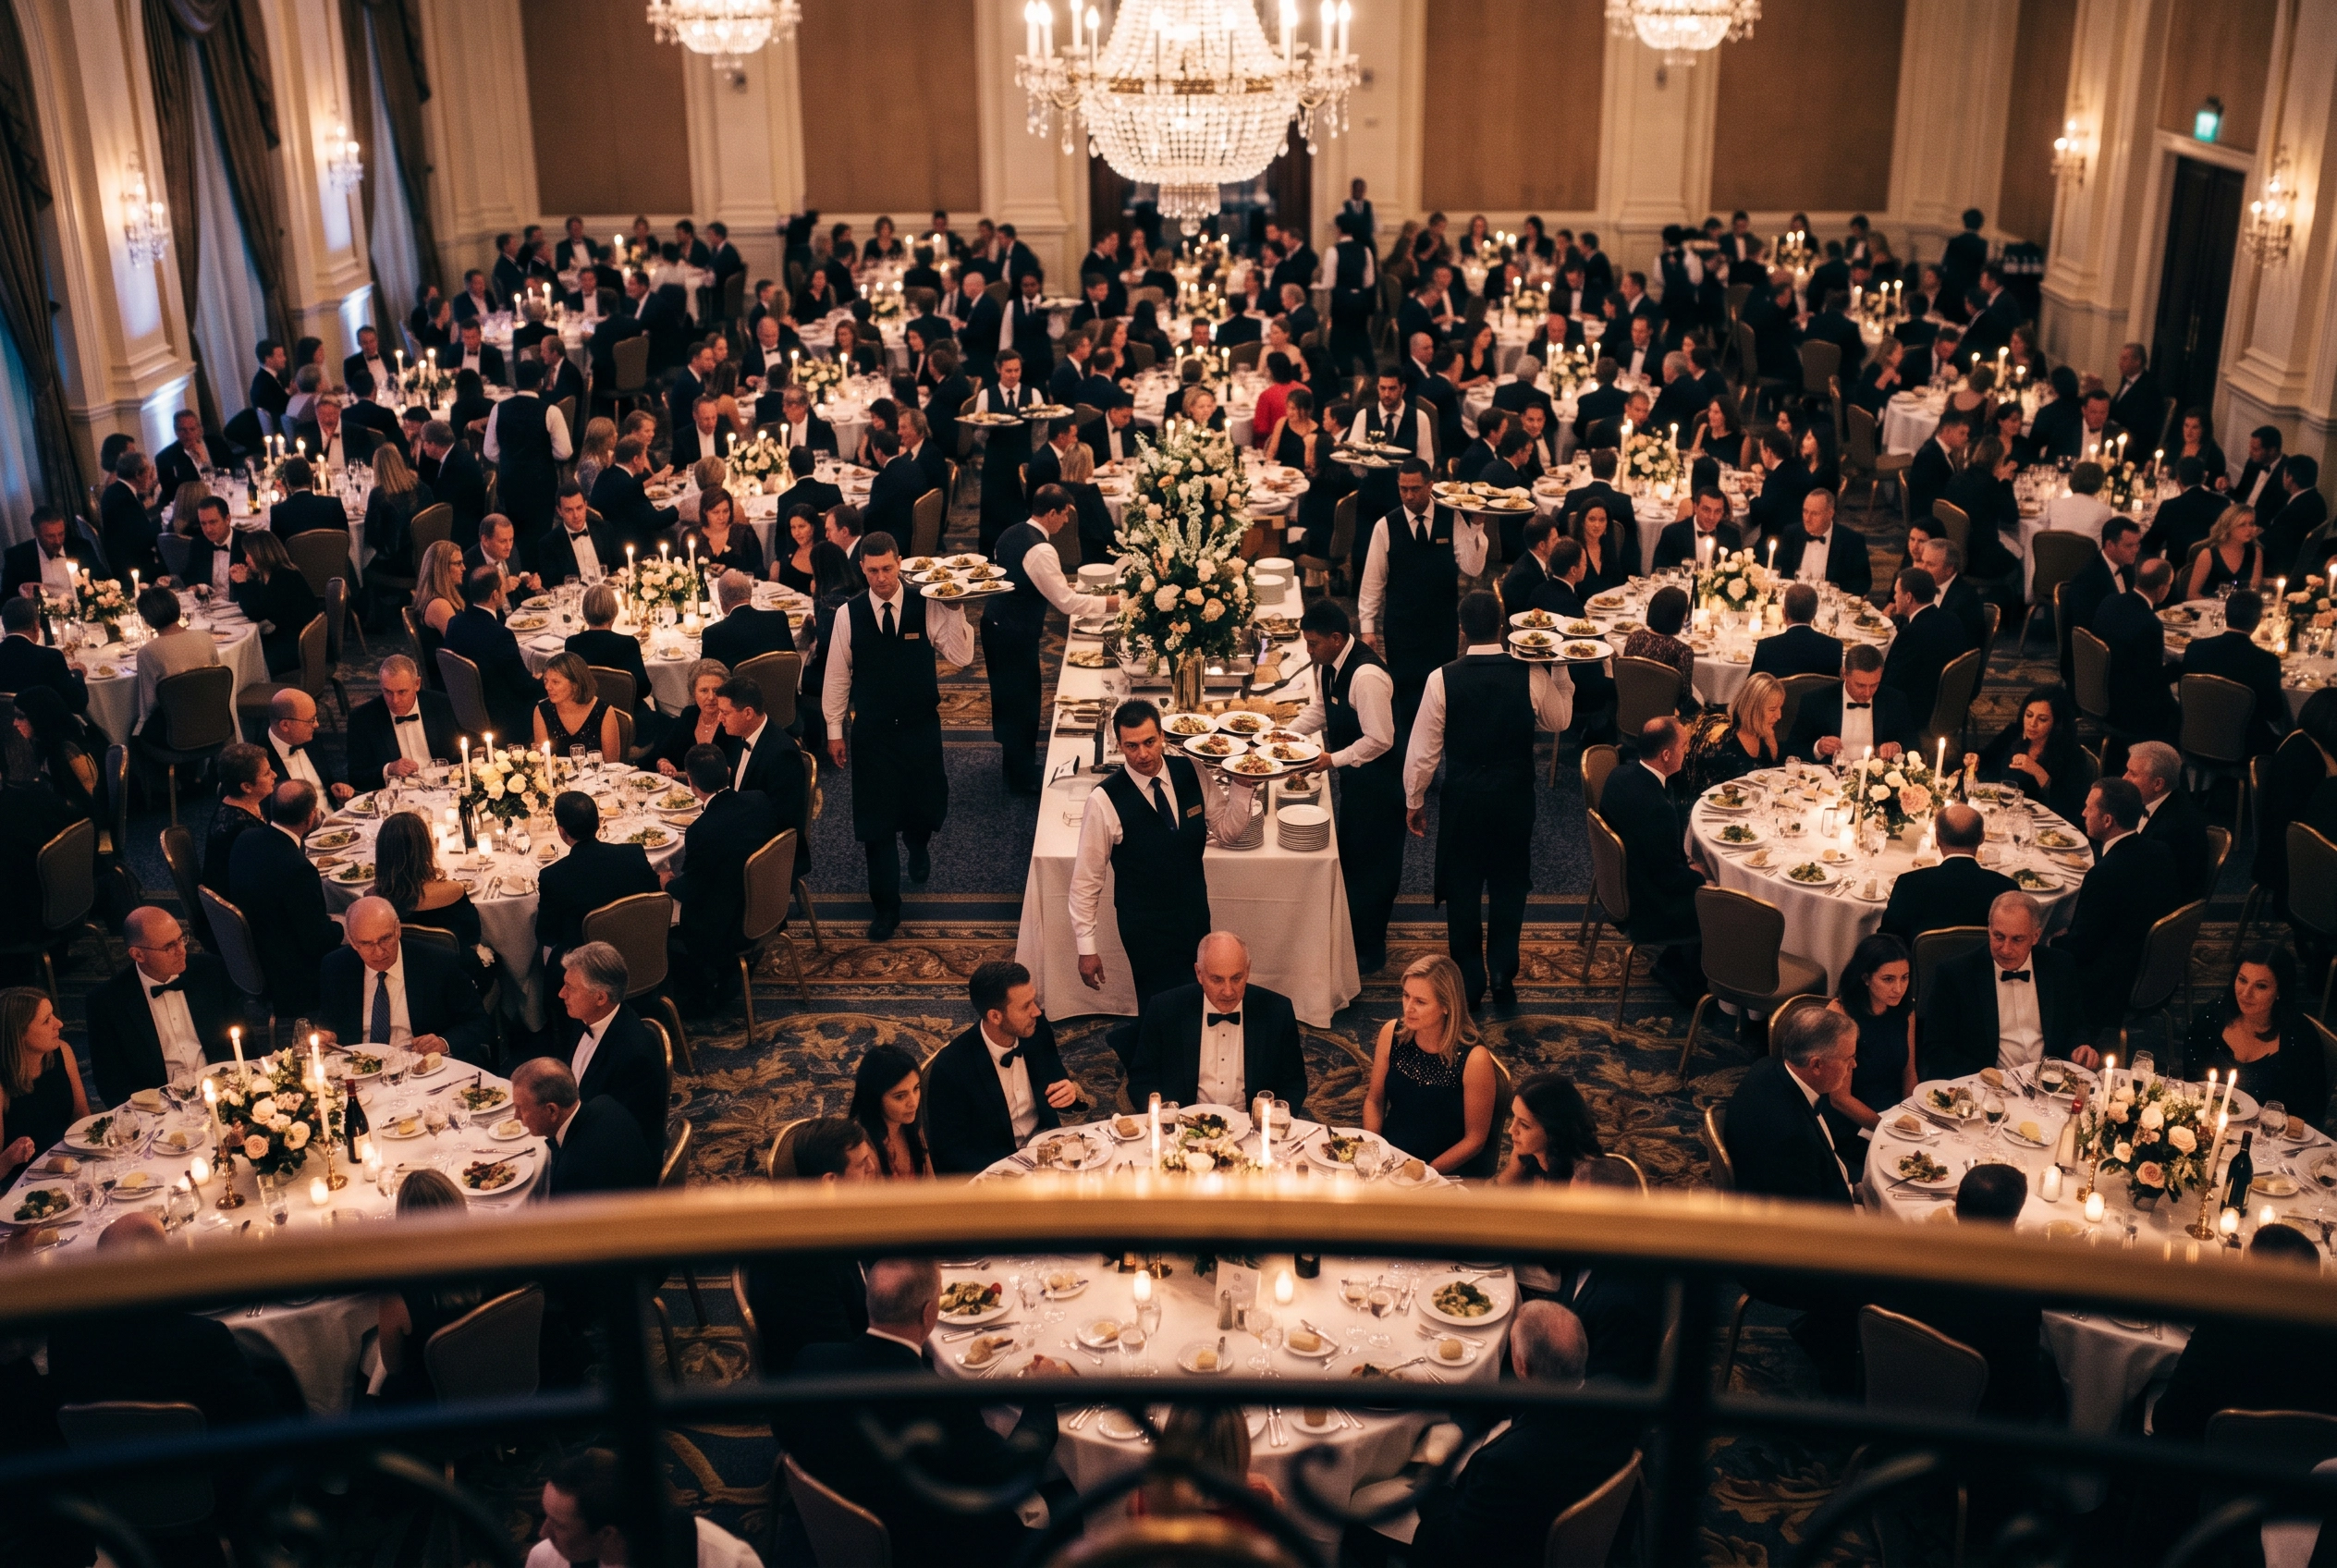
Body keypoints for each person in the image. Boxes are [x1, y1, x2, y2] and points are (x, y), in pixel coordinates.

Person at [780, 1258, 1063, 1563]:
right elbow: (1010, 1473)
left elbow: (788, 1434)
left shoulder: (811, 1361)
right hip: (926, 1550)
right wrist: (1042, 1396)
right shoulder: (941, 1403)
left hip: (834, 1533)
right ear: (930, 1312)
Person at [1401, 591, 1572, 1009]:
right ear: (1501, 625)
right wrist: (1562, 667)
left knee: (1462, 889)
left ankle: (1470, 979)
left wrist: (1414, 799)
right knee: (1509, 885)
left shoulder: (1442, 678)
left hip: (1464, 802)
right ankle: (1501, 972)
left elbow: (1423, 752)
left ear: (1461, 629)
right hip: (1515, 800)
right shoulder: (1531, 673)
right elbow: (1560, 720)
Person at [1070, 699, 1260, 1023]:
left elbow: (1227, 832)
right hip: (1144, 924)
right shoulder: (1104, 800)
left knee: (1199, 994)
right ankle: (1158, 1068)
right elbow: (1086, 881)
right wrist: (1086, 947)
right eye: (1131, 746)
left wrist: (1242, 786)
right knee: (1158, 1004)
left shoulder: (1192, 771)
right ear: (1119, 744)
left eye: (1149, 742)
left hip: (1194, 912)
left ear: (1162, 736)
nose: (1142, 754)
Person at [821, 532, 972, 940]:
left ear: (899, 562)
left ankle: (919, 844)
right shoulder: (847, 616)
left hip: (921, 727)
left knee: (924, 806)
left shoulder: (928, 604)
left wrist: (955, 609)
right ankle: (886, 907)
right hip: (872, 733)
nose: (881, 578)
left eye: (888, 568)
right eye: (872, 571)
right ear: (862, 569)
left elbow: (962, 657)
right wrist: (835, 730)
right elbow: (836, 677)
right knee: (877, 824)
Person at [1403, 1302, 1635, 1566]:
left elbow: (1454, 1547)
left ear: (1521, 1366)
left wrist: (1430, 1484)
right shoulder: (1620, 1399)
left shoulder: (1506, 1466)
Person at [44, 1212, 292, 1427]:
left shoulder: (63, 1334)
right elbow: (261, 1414)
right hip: (209, 1470)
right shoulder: (203, 1339)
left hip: (109, 1470)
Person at [1287, 601, 1404, 973]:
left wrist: (1331, 759)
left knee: (1375, 866)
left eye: (1313, 644)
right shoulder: (1329, 665)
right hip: (1357, 782)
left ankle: (1371, 950)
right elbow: (1322, 709)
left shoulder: (1366, 676)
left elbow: (1381, 738)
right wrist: (1283, 734)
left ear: (1336, 639)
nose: (1308, 651)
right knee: (1355, 859)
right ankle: (1356, 936)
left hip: (1382, 787)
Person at [2152, 1222, 2337, 1446]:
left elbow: (2166, 1419)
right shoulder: (2328, 1345)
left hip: (2198, 1461)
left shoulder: (2223, 1328)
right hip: (2288, 1470)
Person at [984, 484, 1117, 794]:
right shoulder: (1041, 549)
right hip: (1014, 633)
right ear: (1052, 512)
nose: (1067, 522)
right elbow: (1066, 603)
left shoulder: (1012, 532)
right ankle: (1022, 777)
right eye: (1066, 515)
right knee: (1024, 700)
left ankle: (1014, 766)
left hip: (994, 624)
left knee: (1007, 699)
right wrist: (1111, 603)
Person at [741, 1118, 880, 1373]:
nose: (873, 1168)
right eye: (862, 1164)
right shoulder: (806, 1262)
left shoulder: (837, 1215)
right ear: (830, 1181)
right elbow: (839, 1362)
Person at [1913, 889, 2089, 1081]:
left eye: (2017, 939)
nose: (2005, 949)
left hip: (2047, 1086)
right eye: (1998, 936)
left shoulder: (2060, 966)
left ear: (2036, 936)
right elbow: (1937, 1049)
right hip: (1985, 1087)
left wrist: (2080, 1048)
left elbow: (2076, 1026)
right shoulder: (1955, 975)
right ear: (1989, 930)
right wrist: (1993, 1080)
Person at [1128, 932, 1309, 1116]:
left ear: (1248, 970)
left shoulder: (1277, 1011)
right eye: (1217, 979)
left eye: (1237, 978)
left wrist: (1268, 1125)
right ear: (1199, 973)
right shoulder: (1165, 1009)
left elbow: (1293, 1084)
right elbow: (1142, 1081)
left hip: (1253, 1128)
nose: (1229, 991)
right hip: (1184, 1127)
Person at [924, 960, 1079, 1173]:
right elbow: (951, 1152)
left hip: (1046, 1151)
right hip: (996, 1171)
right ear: (995, 1016)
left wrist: (1070, 1092)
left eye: (1034, 1001)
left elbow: (1058, 1084)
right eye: (1026, 1006)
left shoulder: (1037, 1030)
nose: (1037, 1012)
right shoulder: (952, 1067)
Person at [662, 743, 781, 1015]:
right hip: (764, 902)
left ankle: (697, 995)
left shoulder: (701, 830)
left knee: (659, 917)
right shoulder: (759, 801)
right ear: (727, 772)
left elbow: (691, 888)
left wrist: (666, 882)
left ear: (691, 784)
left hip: (726, 926)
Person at [85, 907, 240, 1102]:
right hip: (159, 1105)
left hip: (222, 1088)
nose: (181, 950)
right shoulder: (106, 1003)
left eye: (181, 938)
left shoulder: (212, 972)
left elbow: (244, 1042)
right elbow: (111, 1084)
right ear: (137, 954)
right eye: (168, 947)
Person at [1364, 954, 1498, 1177]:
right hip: (1390, 1157)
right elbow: (1374, 1100)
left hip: (1443, 1169)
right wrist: (1374, 1150)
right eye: (1406, 996)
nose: (1408, 1008)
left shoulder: (1475, 1059)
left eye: (1420, 1001)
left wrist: (1424, 1173)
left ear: (1447, 1006)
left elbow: (1475, 1140)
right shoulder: (1391, 1033)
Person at [321, 895, 493, 1061]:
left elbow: (479, 1022)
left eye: (385, 939)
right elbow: (329, 1022)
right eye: (366, 943)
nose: (379, 952)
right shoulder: (336, 967)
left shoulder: (437, 962)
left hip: (421, 1066)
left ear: (397, 930)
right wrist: (328, 1035)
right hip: (360, 1068)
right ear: (352, 941)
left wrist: (442, 1043)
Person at [1722, 1003, 1857, 1206]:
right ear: (1816, 1065)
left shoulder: (1764, 1067)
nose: (1854, 1065)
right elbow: (1808, 1220)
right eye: (1849, 1058)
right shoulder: (1794, 1138)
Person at [226, 781, 342, 1015]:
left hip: (251, 954)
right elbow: (317, 941)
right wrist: (342, 926)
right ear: (310, 818)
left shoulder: (246, 839)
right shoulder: (298, 869)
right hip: (289, 974)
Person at [372, 1170, 483, 1403]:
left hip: (435, 1405)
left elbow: (393, 1366)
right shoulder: (496, 1256)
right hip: (499, 1383)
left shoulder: (397, 1293)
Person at [2182, 943, 2327, 1121]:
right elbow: (2191, 1079)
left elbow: (2308, 1115)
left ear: (2279, 991)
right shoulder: (2213, 1015)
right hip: (2205, 1122)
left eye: (2261, 986)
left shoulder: (2300, 1038)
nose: (2245, 994)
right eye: (2242, 980)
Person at [556, 942, 668, 1158]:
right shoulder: (584, 1019)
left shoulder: (634, 1057)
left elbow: (624, 1140)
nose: (562, 994)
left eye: (571, 987)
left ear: (600, 997)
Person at [534, 790, 661, 979]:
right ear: (599, 822)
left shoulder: (552, 876)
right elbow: (654, 899)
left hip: (590, 977)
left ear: (561, 831)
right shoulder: (633, 854)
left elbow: (546, 935)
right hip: (642, 959)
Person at [1878, 804, 2018, 949]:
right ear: (1982, 838)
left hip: (1922, 971)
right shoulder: (2007, 890)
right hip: (1983, 971)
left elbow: (1887, 942)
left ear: (1938, 839)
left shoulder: (1909, 884)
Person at [514, 1057, 656, 1197]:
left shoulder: (572, 1174)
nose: (516, 1116)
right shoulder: (605, 1103)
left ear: (552, 1111)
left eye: (520, 1108)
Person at [1824, 934, 1916, 1140]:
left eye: (1905, 977)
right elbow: (1839, 1098)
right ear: (1865, 978)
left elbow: (1909, 1073)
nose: (1899, 989)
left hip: (1893, 1111)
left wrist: (1912, 1117)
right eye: (1888, 979)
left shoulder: (1905, 1010)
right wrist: (1888, 1129)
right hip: (1852, 1120)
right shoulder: (1841, 1014)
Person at [2181, 589, 2290, 755]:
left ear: (2226, 614)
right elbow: (2274, 714)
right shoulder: (2267, 662)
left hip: (2195, 740)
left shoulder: (2195, 649)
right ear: (2258, 621)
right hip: (2246, 748)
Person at [445, 566, 546, 739]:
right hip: (504, 719)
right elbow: (524, 687)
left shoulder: (454, 623)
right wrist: (542, 679)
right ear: (495, 595)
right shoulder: (500, 635)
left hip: (465, 710)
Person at [2091, 557, 2182, 744]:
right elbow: (2152, 680)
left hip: (2098, 693)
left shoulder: (2110, 601)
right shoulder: (2150, 623)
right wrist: (2182, 666)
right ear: (2162, 588)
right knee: (2183, 708)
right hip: (2129, 711)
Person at [0, 987, 87, 1180]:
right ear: (18, 1034)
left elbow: (81, 1117)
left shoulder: (62, 1052)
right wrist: (9, 1158)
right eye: (46, 1020)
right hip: (21, 1186)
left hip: (69, 1167)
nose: (60, 1023)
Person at [1970, 683, 2089, 823]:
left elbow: (2067, 808)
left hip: (2039, 824)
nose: (2032, 723)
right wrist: (1975, 758)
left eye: (2042, 719)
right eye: (2029, 715)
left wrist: (2036, 770)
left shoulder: (2071, 753)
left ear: (2057, 723)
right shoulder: (2014, 733)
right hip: (1999, 815)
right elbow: (1987, 757)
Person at [341, 654, 455, 792]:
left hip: (442, 790)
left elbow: (459, 755)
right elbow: (356, 778)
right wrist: (389, 769)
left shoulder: (442, 705)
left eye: (402, 692)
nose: (394, 700)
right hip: (397, 797)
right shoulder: (362, 719)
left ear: (417, 684)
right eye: (387, 692)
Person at [1878, 567, 1970, 738]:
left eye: (1897, 592)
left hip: (1918, 714)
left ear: (1908, 597)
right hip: (1950, 707)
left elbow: (1892, 684)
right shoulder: (1952, 619)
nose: (1893, 597)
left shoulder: (1912, 634)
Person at [2121, 740, 2214, 899]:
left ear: (2158, 784)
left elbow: (2142, 883)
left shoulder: (2170, 830)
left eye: (2133, 773)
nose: (2124, 778)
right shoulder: (2169, 796)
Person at [2058, 516, 2141, 685]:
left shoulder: (2127, 569)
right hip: (2092, 658)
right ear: (2110, 545)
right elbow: (2086, 630)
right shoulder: (2087, 578)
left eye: (2137, 544)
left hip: (2118, 645)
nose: (2136, 550)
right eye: (2129, 545)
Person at [230, 528, 322, 677]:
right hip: (291, 639)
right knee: (247, 652)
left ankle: (249, 696)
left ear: (261, 554)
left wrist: (242, 583)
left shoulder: (283, 577)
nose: (246, 559)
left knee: (245, 662)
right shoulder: (272, 575)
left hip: (299, 647)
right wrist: (245, 581)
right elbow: (259, 603)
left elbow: (255, 612)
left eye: (249, 554)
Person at [11, 686, 101, 825]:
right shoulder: (47, 744)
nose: (15, 723)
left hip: (79, 834)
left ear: (39, 717)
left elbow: (85, 810)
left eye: (21, 716)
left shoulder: (65, 753)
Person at [1495, 1072, 1603, 1185]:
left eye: (1524, 1125)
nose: (1511, 1130)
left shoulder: (1585, 1178)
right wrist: (1512, 1171)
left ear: (1554, 1131)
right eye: (1514, 1117)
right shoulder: (1526, 1157)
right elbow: (1493, 1197)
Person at [200, 741, 275, 896]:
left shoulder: (234, 799)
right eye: (267, 773)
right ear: (246, 787)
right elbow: (266, 876)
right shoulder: (243, 828)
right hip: (241, 904)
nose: (275, 775)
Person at [848, 1044, 933, 1179]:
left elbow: (931, 1184)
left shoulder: (911, 1125)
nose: (913, 1103)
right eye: (900, 1096)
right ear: (875, 1098)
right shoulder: (864, 1150)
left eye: (916, 1088)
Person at [1690, 671, 1784, 790]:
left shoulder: (1764, 734)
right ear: (1752, 709)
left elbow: (1772, 781)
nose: (1779, 715)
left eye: (1780, 707)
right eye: (1772, 709)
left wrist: (1773, 748)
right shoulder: (1723, 744)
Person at [1772, 489, 1870, 596]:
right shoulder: (1792, 533)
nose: (1807, 518)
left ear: (1830, 513)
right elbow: (1780, 571)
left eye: (1814, 513)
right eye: (1805, 511)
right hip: (1795, 601)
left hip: (1830, 605)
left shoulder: (1852, 541)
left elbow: (1863, 583)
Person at [532, 653, 623, 765]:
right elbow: (543, 763)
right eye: (546, 680)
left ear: (575, 684)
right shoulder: (542, 710)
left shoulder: (602, 711)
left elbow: (612, 766)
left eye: (555, 682)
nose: (547, 687)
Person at [1751, 584, 1844, 679]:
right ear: (1814, 614)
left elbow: (1752, 689)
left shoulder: (1766, 647)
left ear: (1784, 613)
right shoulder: (1834, 647)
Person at [2185, 502, 2263, 600]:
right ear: (2228, 527)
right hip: (2209, 610)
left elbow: (2254, 590)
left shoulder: (2256, 552)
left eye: (2251, 524)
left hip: (2240, 610)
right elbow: (2192, 594)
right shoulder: (2208, 554)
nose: (2249, 529)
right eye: (2242, 525)